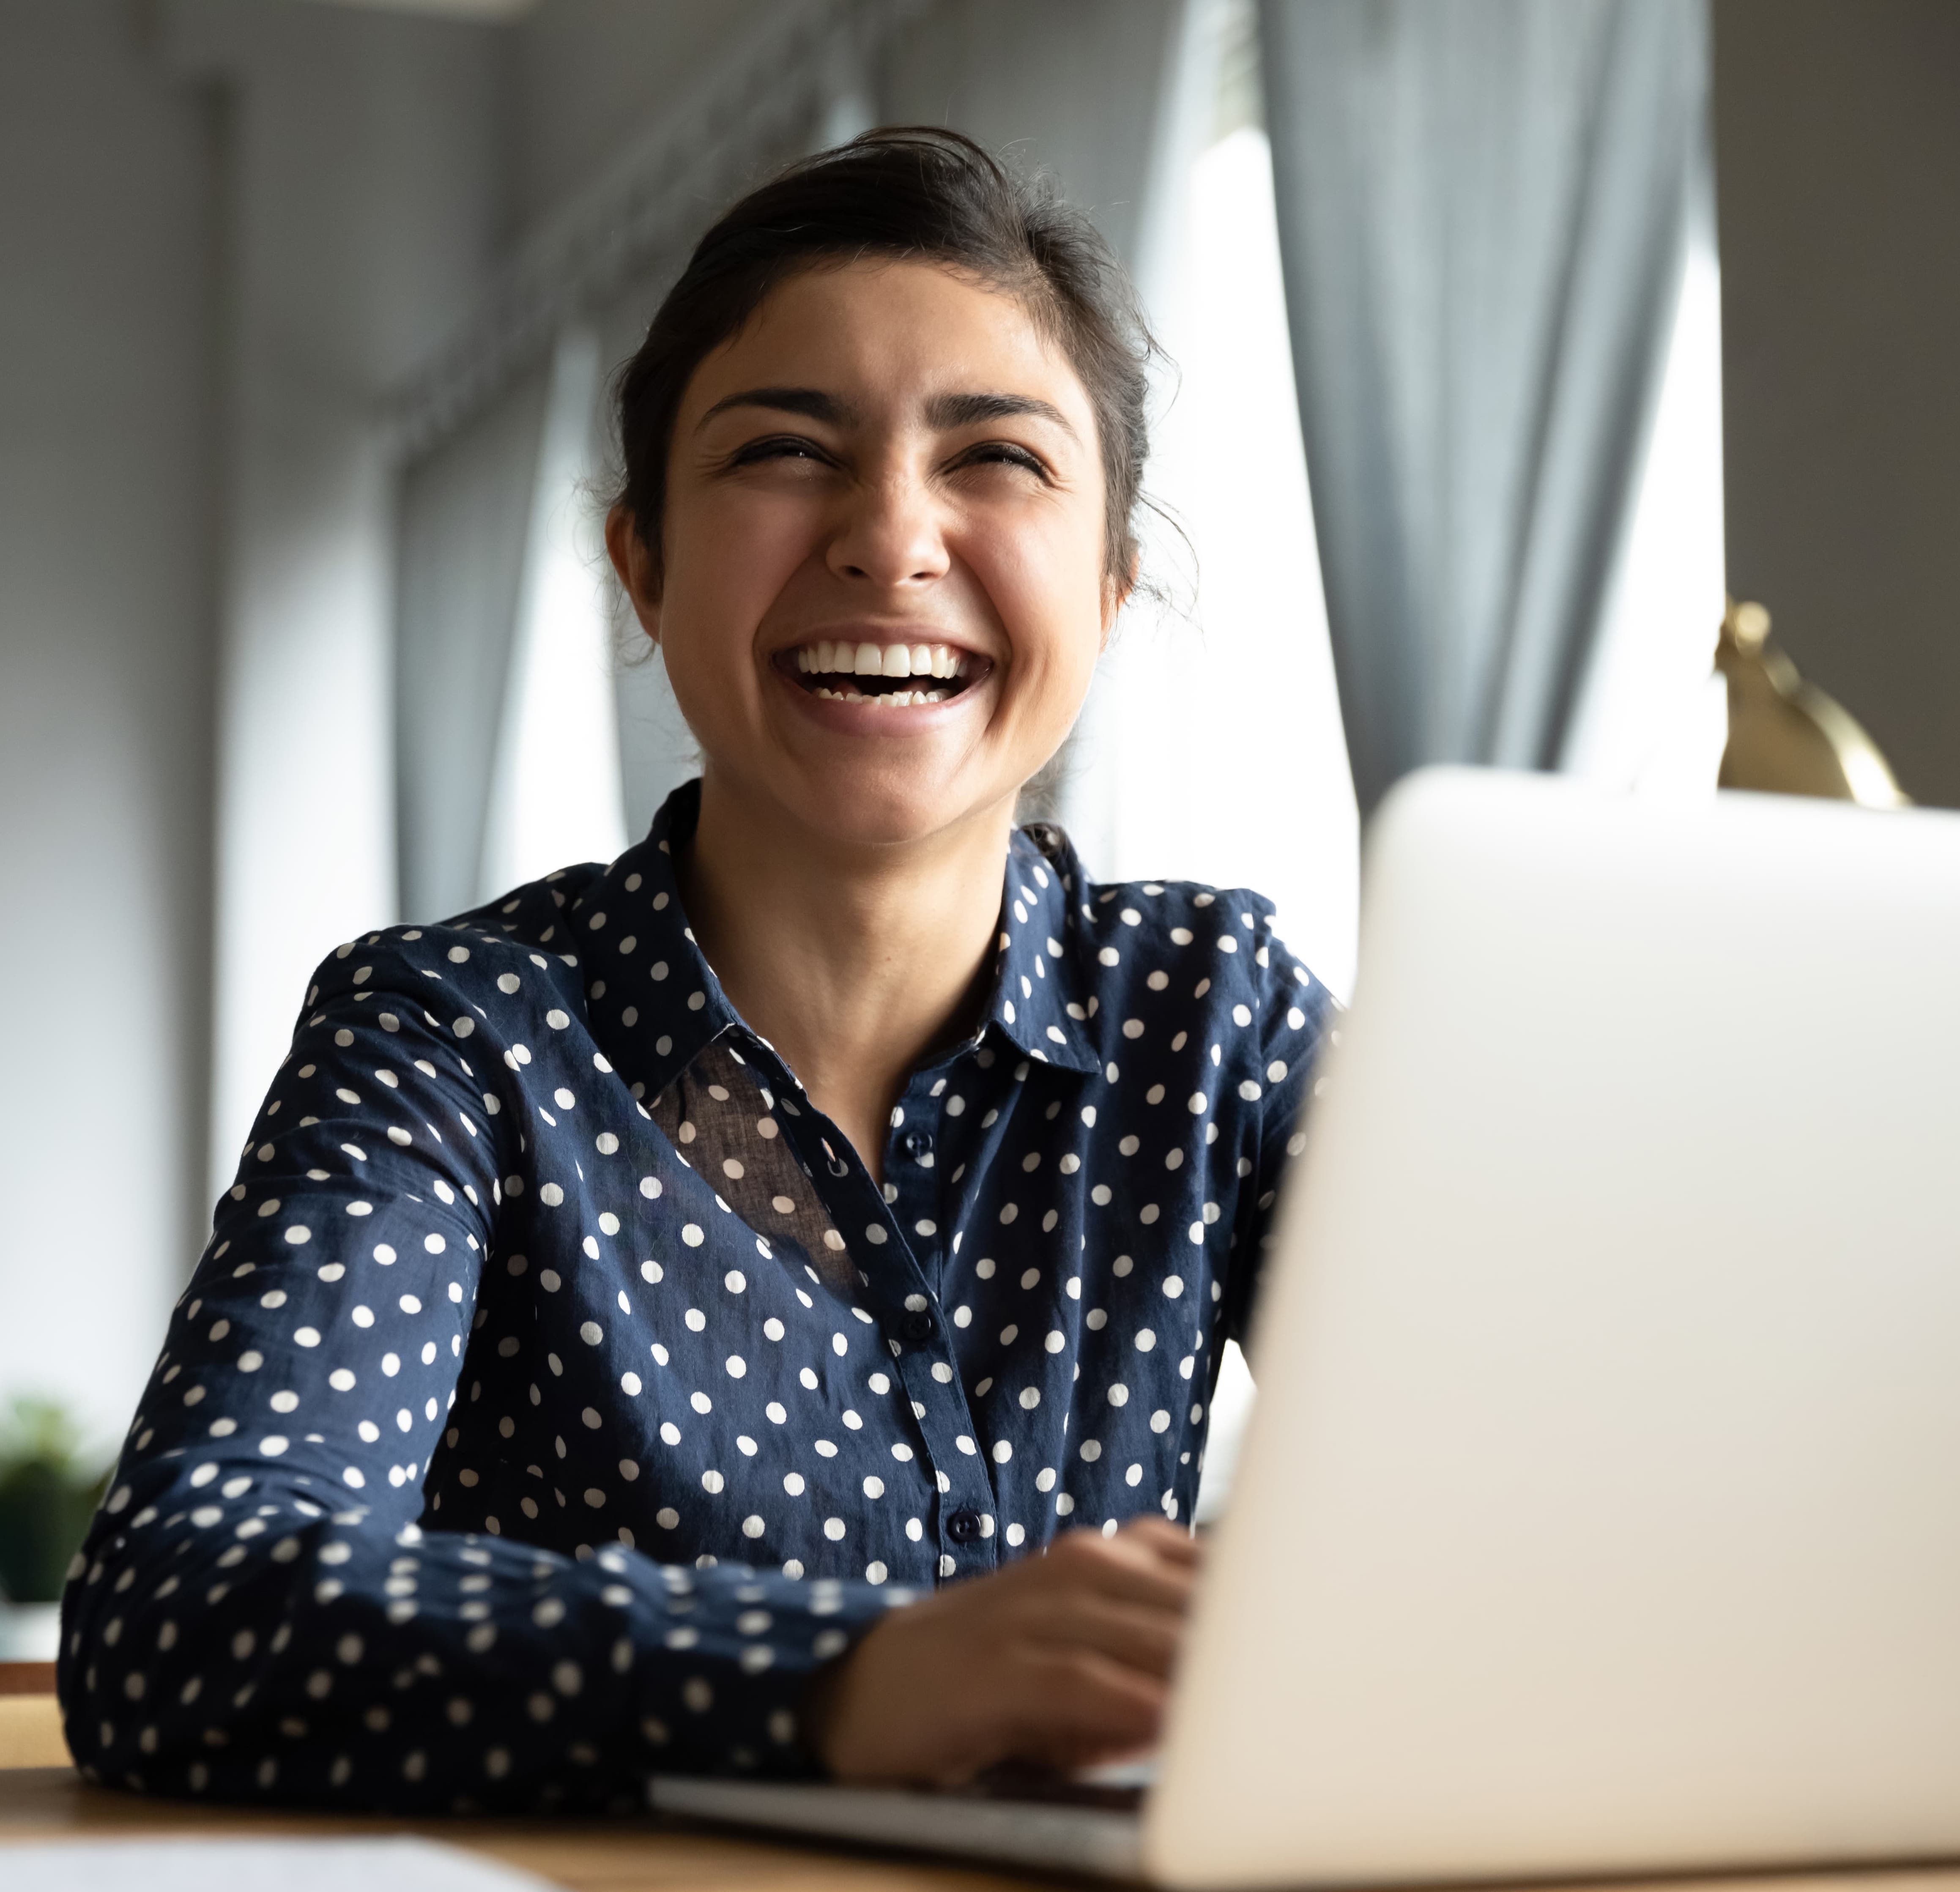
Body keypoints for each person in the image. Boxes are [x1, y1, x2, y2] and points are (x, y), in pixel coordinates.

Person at [59, 128, 1333, 1811]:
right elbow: (181, 1611)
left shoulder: (1216, 1013)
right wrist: (836, 1680)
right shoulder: (452, 1035)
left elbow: (1531, 1487)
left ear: (1108, 591)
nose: (890, 539)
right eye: (785, 452)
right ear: (640, 568)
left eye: (998, 460)